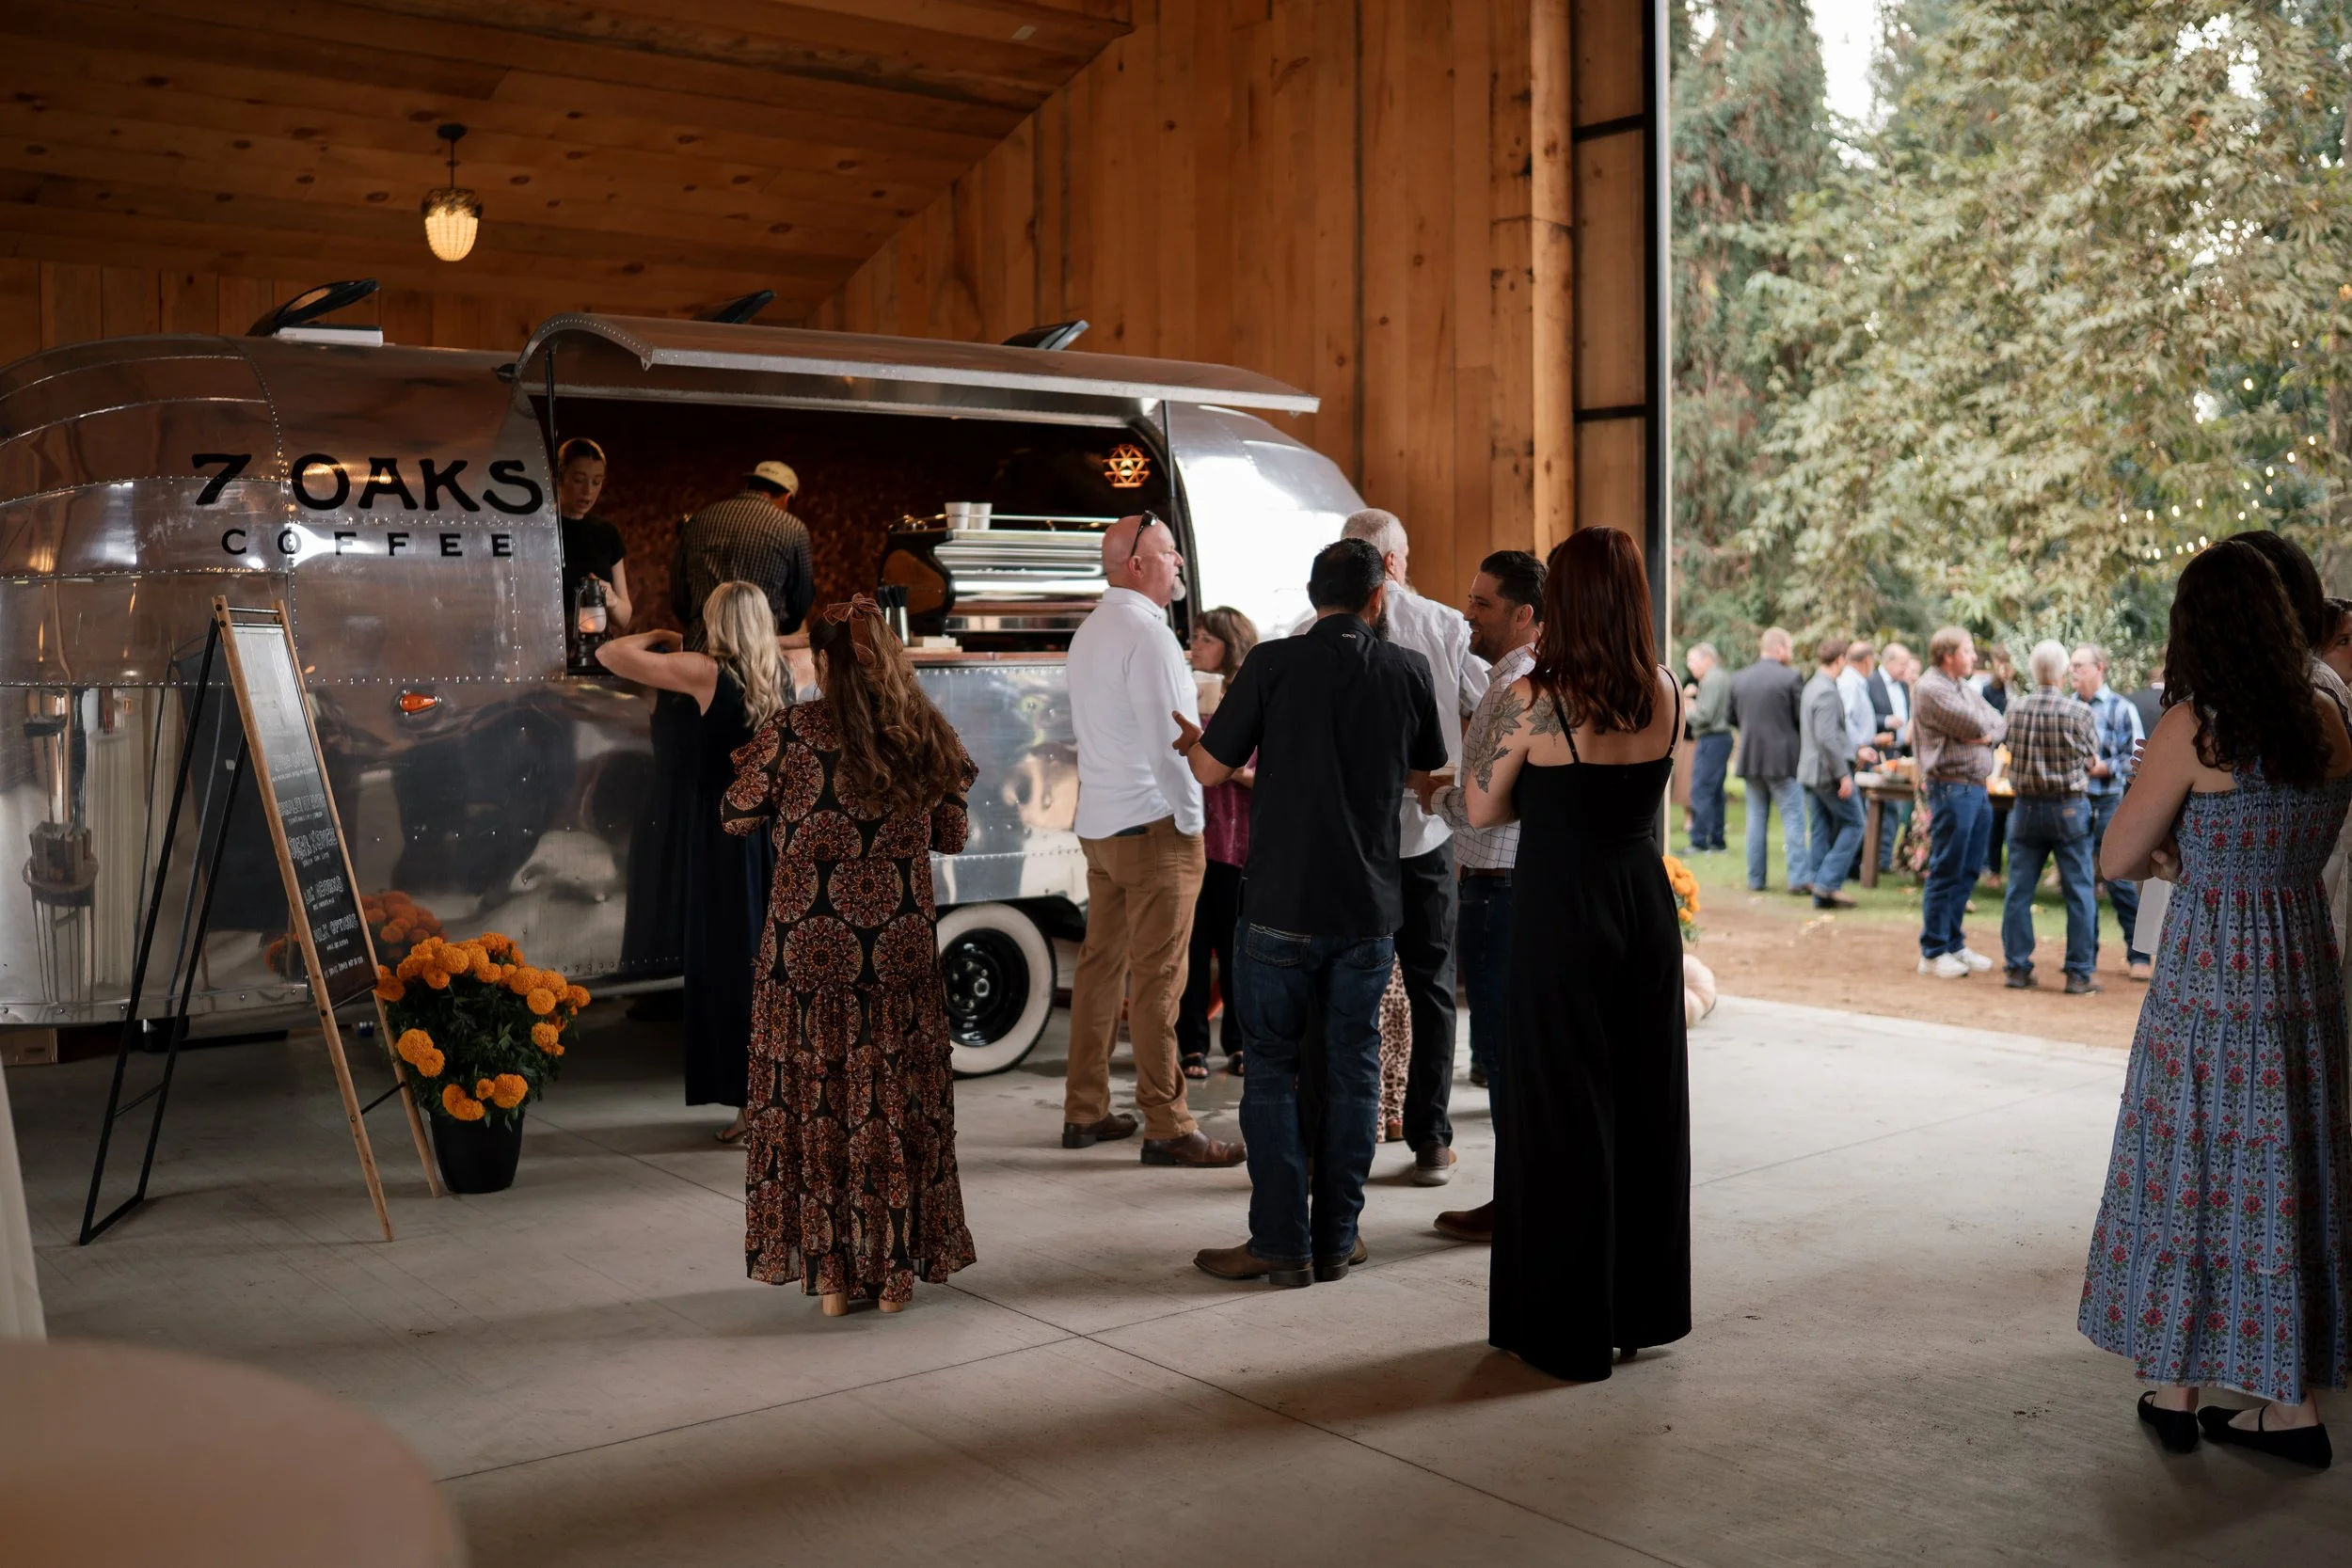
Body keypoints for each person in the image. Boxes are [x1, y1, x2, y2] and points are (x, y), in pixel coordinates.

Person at [2079, 537, 2352, 1465]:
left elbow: (2117, 855)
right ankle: (2273, 1399)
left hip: (2212, 977)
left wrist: (2174, 855)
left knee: (2190, 1170)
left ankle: (2185, 1385)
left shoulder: (2195, 729)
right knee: (2282, 1177)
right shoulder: (2329, 718)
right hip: (2301, 969)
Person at [1183, 537, 1447, 1287]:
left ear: (1312, 595)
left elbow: (1209, 768)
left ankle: (1279, 1242)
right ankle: (1337, 1239)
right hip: (1367, 906)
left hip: (1279, 902)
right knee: (1354, 1068)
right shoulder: (1408, 669)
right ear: (1378, 597)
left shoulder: (1271, 663)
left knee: (1271, 1069)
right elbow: (1426, 774)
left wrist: (1197, 740)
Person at [1462, 526, 1689, 1381]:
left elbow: (1481, 808)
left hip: (1560, 906)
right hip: (1641, 902)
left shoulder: (1534, 698)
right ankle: (1637, 1308)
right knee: (1642, 1102)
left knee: (1558, 1109)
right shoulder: (1665, 687)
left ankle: (1564, 1324)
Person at [722, 594, 979, 1317]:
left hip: (807, 961)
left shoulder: (792, 732)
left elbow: (734, 816)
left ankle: (832, 1280)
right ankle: (894, 1274)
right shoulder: (923, 730)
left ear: (823, 661)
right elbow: (952, 836)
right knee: (891, 1108)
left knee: (818, 1111)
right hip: (897, 957)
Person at [1062, 514, 1241, 1167]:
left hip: (1101, 824)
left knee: (1099, 972)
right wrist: (1193, 822)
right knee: (1162, 979)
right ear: (1136, 564)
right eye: (1169, 553)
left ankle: (1084, 1109)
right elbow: (1174, 745)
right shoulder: (1150, 635)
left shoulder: (1091, 630)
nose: (1179, 564)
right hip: (1153, 825)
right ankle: (1167, 1123)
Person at [1328, 509, 1489, 1188]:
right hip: (1426, 831)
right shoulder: (1447, 625)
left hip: (1350, 840)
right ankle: (1430, 1139)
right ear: (1395, 561)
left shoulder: (1313, 632)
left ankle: (1348, 1135)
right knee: (1430, 987)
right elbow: (1491, 702)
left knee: (1346, 988)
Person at [596, 584, 783, 1136]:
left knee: (727, 967)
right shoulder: (775, 674)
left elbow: (610, 654)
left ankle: (749, 1107)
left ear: (717, 619)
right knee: (763, 966)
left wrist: (658, 634)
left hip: (722, 835)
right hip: (765, 834)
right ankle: (769, 1100)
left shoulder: (707, 671)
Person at [1418, 548, 1545, 1239]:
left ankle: (1516, 1205)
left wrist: (1433, 791)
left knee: (1502, 1057)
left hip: (1498, 887)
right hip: (1514, 884)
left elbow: (1484, 810)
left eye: (1483, 603)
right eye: (1470, 598)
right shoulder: (1525, 680)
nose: (1468, 613)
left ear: (1524, 615)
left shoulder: (1511, 688)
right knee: (1511, 1054)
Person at [1177, 606, 1259, 1080]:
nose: (1195, 647)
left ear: (1230, 646)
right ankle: (1192, 1045)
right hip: (1191, 836)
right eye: (1194, 638)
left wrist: (1228, 768)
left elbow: (1270, 772)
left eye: (1206, 639)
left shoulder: (1251, 697)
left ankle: (1239, 1042)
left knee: (1236, 948)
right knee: (1191, 946)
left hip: (1237, 842)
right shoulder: (1183, 694)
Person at [1998, 641, 2101, 994]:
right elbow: (2092, 759)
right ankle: (2078, 973)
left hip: (2025, 808)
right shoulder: (2079, 712)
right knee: (2079, 891)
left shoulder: (2015, 708)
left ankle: (2017, 967)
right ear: (2062, 673)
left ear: (2033, 670)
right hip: (2067, 808)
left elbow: (2006, 747)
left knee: (2019, 890)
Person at [1912, 626, 2007, 979]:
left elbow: (1999, 722)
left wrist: (1984, 735)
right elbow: (1976, 721)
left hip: (1975, 789)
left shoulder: (1961, 686)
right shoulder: (1931, 687)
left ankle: (1953, 943)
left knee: (1967, 869)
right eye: (1967, 650)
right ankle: (1933, 951)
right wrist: (1983, 733)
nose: (1974, 657)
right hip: (1952, 789)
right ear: (1948, 655)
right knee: (1947, 867)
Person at [675, 460, 816, 648]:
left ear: (750, 485)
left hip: (704, 646)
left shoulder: (699, 521)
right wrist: (778, 629)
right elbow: (800, 602)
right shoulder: (793, 529)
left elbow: (679, 596)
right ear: (786, 497)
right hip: (760, 651)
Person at [2070, 643, 2148, 981]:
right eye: (2071, 666)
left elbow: (2138, 760)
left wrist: (2107, 768)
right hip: (2074, 804)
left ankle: (2139, 955)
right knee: (2079, 883)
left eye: (2079, 666)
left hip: (2108, 804)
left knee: (2119, 881)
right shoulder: (2068, 706)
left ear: (2099, 668)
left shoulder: (2121, 708)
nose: (2072, 672)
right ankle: (2084, 958)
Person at [1727, 627, 1809, 895]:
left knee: (1755, 819)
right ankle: (1798, 879)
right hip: (1783, 761)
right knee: (1793, 819)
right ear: (1780, 648)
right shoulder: (1791, 678)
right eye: (1790, 647)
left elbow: (1731, 718)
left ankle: (1756, 879)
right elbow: (1801, 719)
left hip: (1751, 757)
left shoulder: (1739, 678)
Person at [1798, 639, 1864, 910]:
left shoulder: (1812, 685)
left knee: (1821, 829)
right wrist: (1843, 774)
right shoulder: (1826, 690)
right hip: (1827, 773)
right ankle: (1827, 883)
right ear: (1840, 659)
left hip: (1812, 771)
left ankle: (1819, 890)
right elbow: (1826, 737)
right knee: (1856, 823)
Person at [556, 436, 633, 631]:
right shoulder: (539, 529)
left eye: (597, 482)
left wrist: (612, 599)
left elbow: (624, 617)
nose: (588, 491)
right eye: (579, 480)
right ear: (558, 477)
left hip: (596, 644)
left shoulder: (606, 533)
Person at [1684, 642, 1733, 854]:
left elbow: (1705, 715)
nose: (1690, 665)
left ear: (1707, 659)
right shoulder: (1720, 677)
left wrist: (1684, 709)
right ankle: (1716, 840)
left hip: (1712, 740)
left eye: (1693, 660)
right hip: (1719, 739)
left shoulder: (1711, 679)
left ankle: (1699, 841)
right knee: (1715, 792)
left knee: (1702, 789)